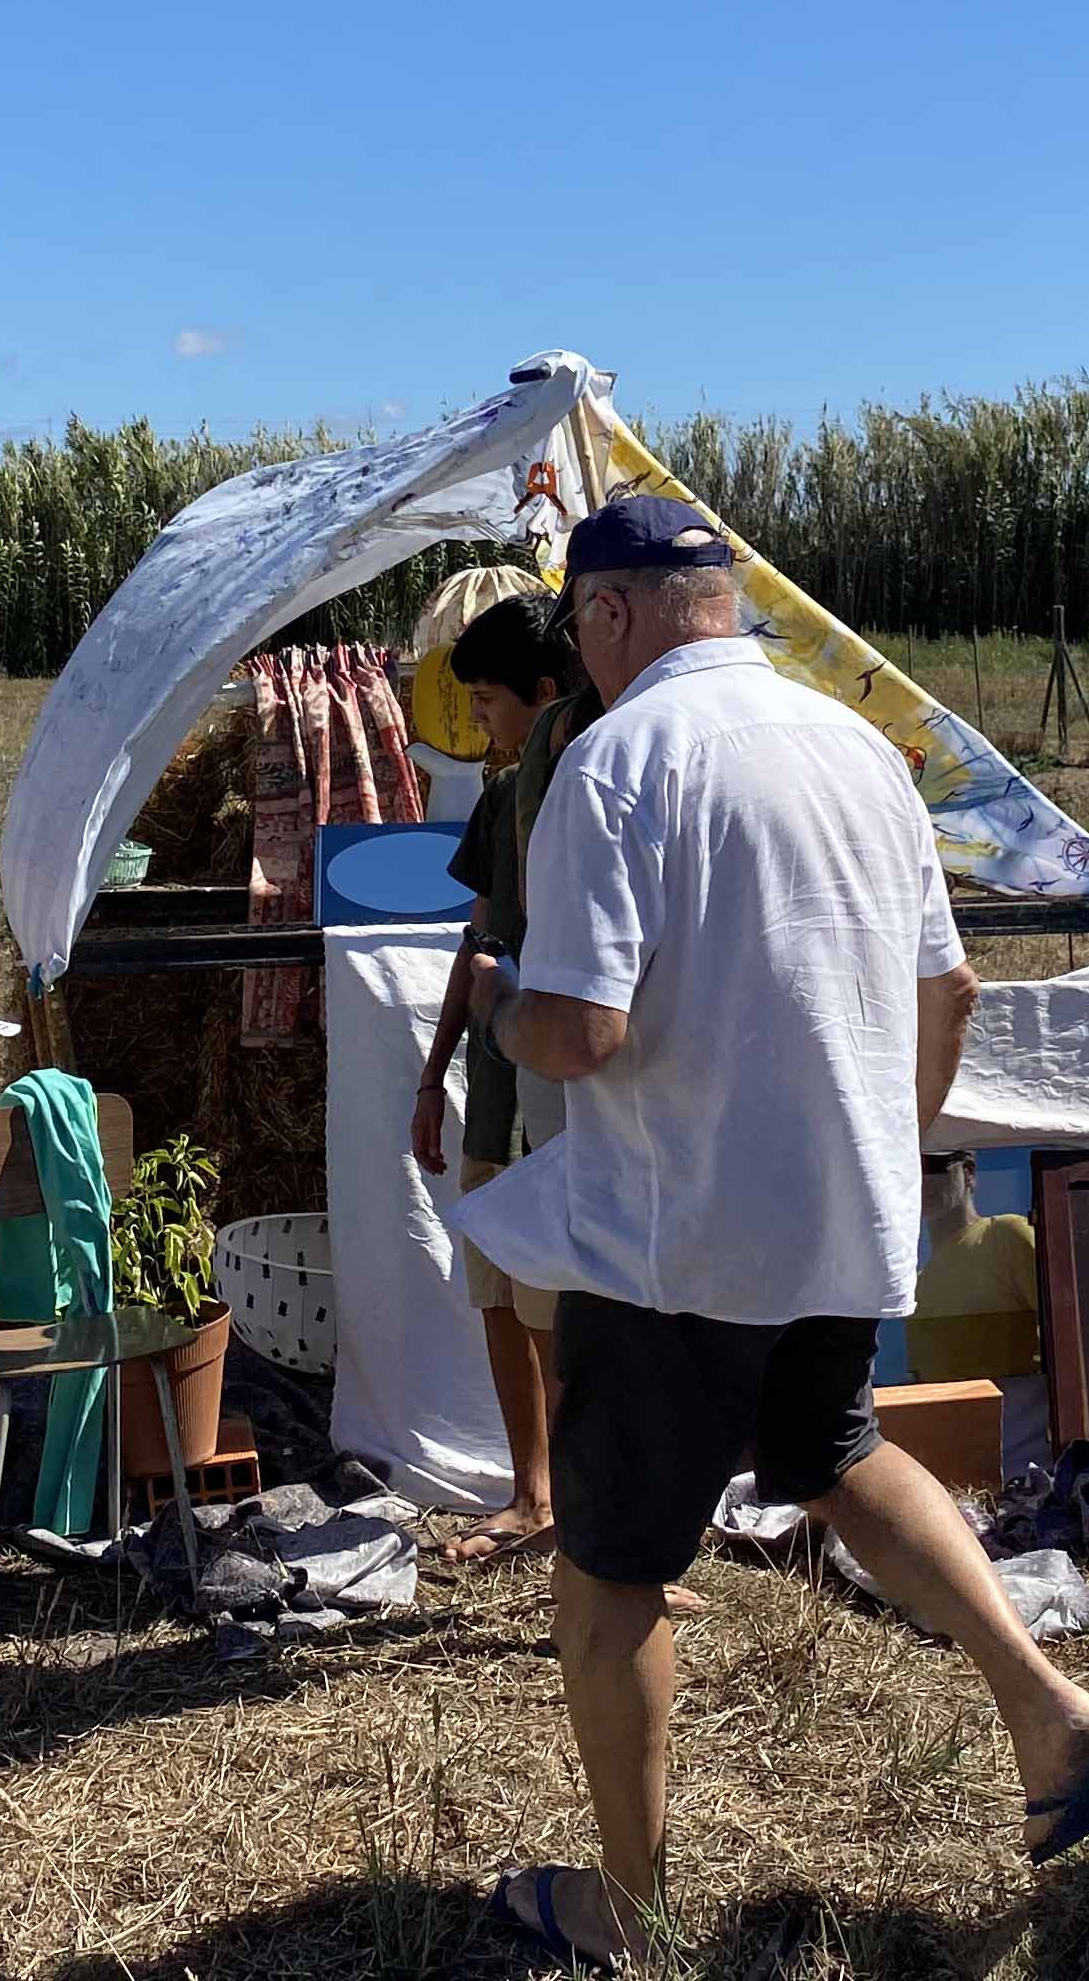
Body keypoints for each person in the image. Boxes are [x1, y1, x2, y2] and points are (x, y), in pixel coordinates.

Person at [459, 496, 1089, 1964]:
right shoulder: (858, 747)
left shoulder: (616, 761)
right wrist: (885, 1148)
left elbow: (583, 1030)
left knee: (611, 1567)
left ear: (611, 612)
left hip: (675, 1240)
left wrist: (498, 1008)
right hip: (837, 1214)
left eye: (580, 624)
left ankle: (630, 1908)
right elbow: (950, 991)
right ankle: (1046, 1706)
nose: (581, 651)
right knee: (834, 1451)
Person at [408, 588, 600, 1564]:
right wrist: (432, 1072)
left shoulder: (596, 792)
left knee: (565, 1309)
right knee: (498, 1290)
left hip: (568, 1090)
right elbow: (476, 941)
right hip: (495, 1085)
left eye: (488, 703)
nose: (480, 724)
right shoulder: (497, 801)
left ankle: (590, 1514)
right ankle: (531, 1493)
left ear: (546, 693)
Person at [906, 1151, 1050, 1481]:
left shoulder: (1006, 1234)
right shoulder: (918, 1281)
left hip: (1027, 1471)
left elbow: (1074, 1337)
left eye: (935, 1166)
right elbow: (924, 1389)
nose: (923, 1179)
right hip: (960, 1476)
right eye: (911, 1165)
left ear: (969, 1173)